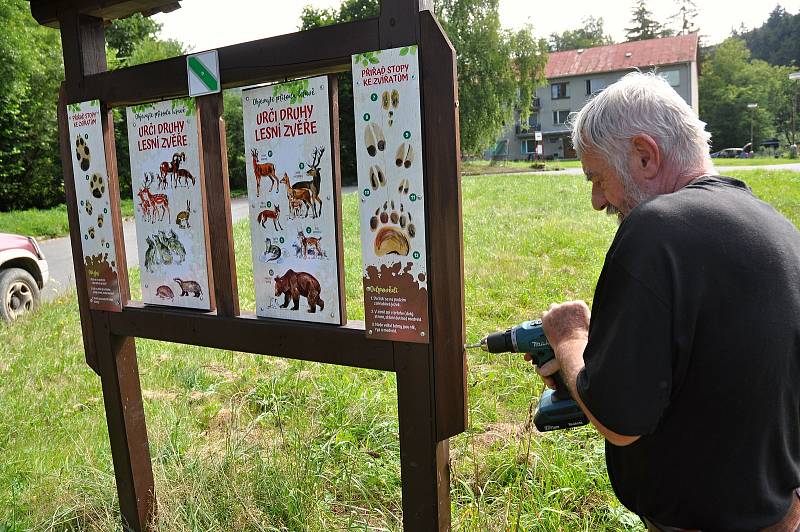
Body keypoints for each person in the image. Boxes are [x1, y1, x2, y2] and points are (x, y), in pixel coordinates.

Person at [530, 72, 800, 531]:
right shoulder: (780, 228)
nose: (597, 201)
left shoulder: (657, 228)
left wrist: (571, 339)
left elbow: (618, 420)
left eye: (597, 177)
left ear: (644, 155)